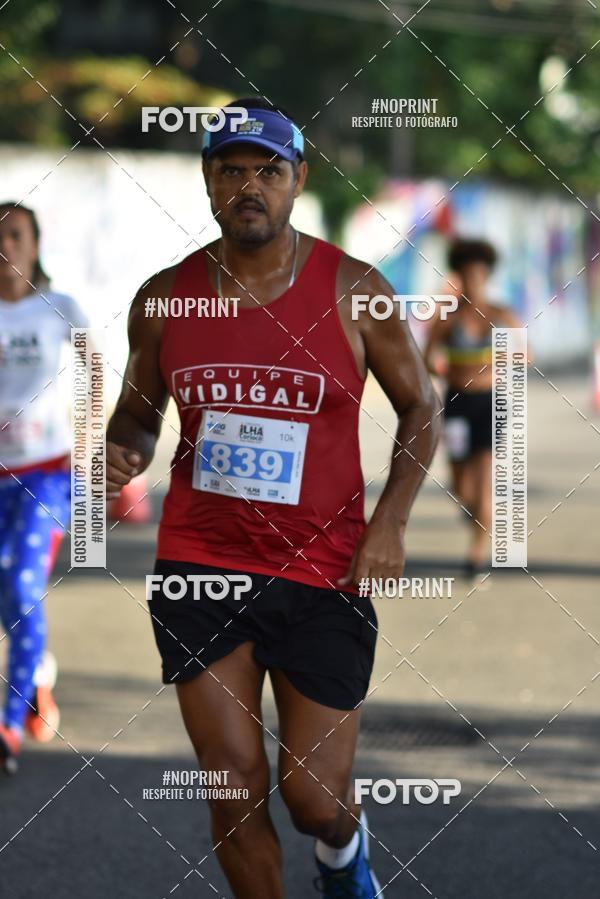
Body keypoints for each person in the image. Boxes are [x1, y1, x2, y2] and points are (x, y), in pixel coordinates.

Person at [106, 97, 440, 899]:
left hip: (324, 571)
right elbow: (138, 413)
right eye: (231, 170)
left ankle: (344, 854)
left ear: (299, 179)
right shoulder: (165, 298)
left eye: (268, 171)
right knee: (231, 785)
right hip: (200, 565)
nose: (248, 186)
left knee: (314, 800)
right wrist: (124, 451)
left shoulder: (354, 290)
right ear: (207, 179)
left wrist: (390, 522)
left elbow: (422, 407)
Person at [0, 202, 88, 773]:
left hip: (48, 474)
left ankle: (7, 724)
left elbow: (96, 376)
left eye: (16, 235)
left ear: (35, 244)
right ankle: (37, 678)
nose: (5, 246)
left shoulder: (61, 308)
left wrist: (96, 452)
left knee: (21, 583)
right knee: (8, 595)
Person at [424, 237, 524, 577]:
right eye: (467, 276)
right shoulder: (447, 319)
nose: (474, 282)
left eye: (479, 276)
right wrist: (446, 370)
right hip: (456, 403)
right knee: (460, 485)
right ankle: (474, 512)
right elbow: (426, 358)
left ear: (488, 276)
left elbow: (526, 353)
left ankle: (476, 555)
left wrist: (499, 361)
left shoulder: (501, 315)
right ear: (459, 277)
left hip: (490, 403)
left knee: (483, 481)